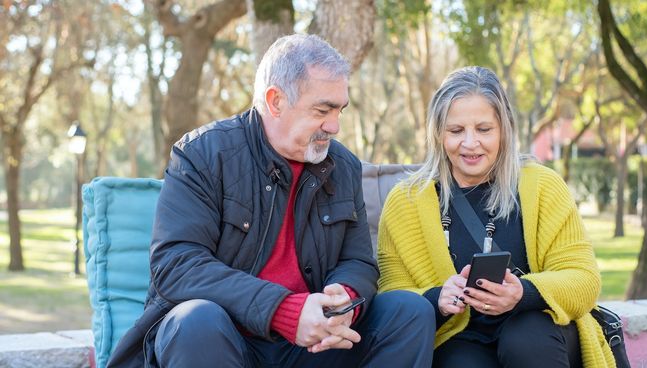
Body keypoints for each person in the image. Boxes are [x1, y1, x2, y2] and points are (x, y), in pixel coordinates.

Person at [106, 34, 435, 368]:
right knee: (196, 320)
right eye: (322, 110)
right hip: (225, 340)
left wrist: (344, 298)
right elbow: (176, 266)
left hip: (312, 344)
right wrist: (282, 310)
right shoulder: (202, 154)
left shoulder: (343, 166)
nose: (334, 126)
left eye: (339, 110)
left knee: (410, 313)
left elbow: (360, 260)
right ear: (275, 101)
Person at [377, 66, 616, 368]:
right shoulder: (406, 201)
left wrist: (525, 293)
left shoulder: (542, 185)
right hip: (460, 339)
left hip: (538, 331)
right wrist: (435, 298)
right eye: (456, 131)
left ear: (504, 129)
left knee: (526, 339)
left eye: (484, 129)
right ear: (438, 133)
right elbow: (391, 296)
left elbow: (584, 279)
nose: (470, 143)